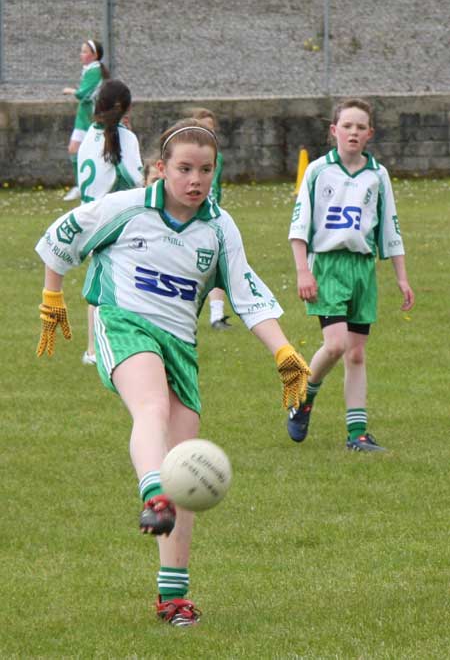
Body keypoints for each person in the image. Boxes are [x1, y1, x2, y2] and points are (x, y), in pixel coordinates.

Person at [35, 119, 311, 626]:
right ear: (160, 169)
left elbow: (247, 293)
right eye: (184, 168)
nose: (195, 179)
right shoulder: (128, 208)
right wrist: (53, 295)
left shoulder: (218, 226)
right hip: (123, 324)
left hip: (180, 346)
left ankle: (173, 599)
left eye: (205, 169)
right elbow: (62, 235)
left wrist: (283, 351)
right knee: (152, 408)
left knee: (184, 469)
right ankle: (152, 492)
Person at [287, 97, 415, 452]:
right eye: (347, 126)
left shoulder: (378, 175)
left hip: (362, 268)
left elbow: (390, 228)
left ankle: (356, 435)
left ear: (370, 133)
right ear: (334, 131)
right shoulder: (317, 171)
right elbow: (299, 226)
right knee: (336, 345)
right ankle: (302, 394)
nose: (353, 132)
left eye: (361, 127)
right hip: (327, 266)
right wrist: (303, 271)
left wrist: (401, 277)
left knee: (356, 354)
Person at [77, 78, 144, 365]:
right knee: (132, 282)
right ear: (126, 109)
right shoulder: (124, 138)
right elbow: (134, 179)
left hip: (89, 218)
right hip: (116, 219)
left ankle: (93, 349)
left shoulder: (87, 139)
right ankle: (119, 346)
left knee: (100, 284)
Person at [189, 107, 230, 330]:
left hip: (211, 220)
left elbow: (217, 187)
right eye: (205, 129)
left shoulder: (218, 158)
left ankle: (216, 316)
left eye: (212, 130)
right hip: (191, 219)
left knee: (218, 267)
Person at [62, 39, 109, 201]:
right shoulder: (89, 70)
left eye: (84, 51)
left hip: (91, 117)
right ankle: (80, 186)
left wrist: (71, 91)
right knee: (73, 149)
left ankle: (94, 186)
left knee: (96, 152)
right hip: (82, 116)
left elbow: (85, 94)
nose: (81, 55)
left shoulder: (95, 70)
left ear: (94, 55)